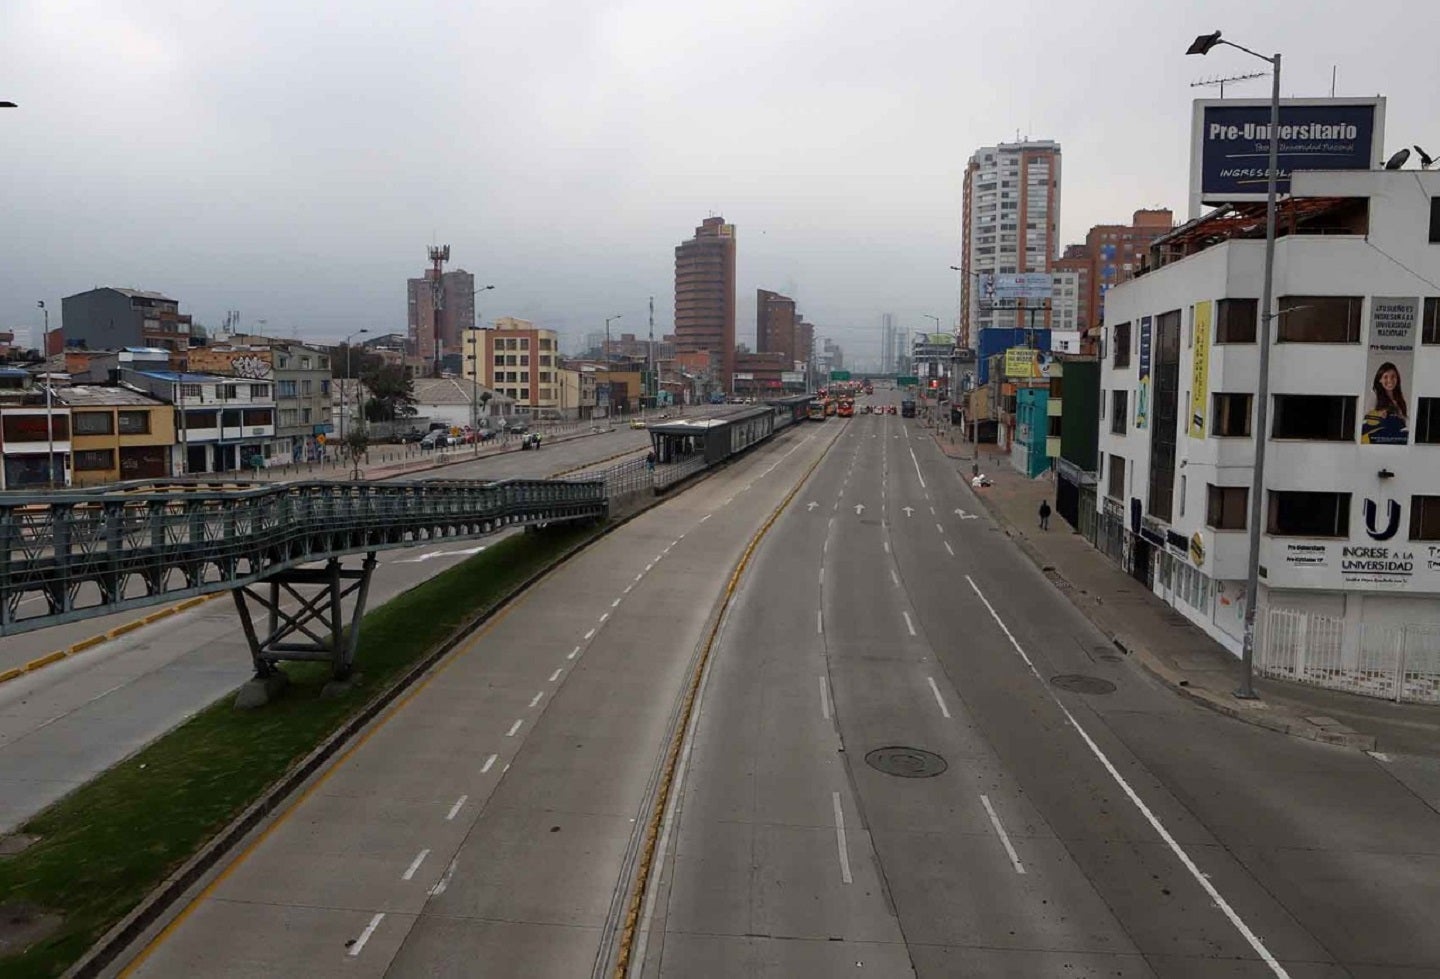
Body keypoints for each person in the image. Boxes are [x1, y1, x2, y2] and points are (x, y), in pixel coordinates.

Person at [1361, 361, 1410, 445]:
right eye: (1385, 377)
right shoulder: (1375, 395)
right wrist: (1378, 414)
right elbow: (1366, 418)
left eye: (1393, 376)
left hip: (1396, 439)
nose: (1389, 380)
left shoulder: (1401, 398)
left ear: (1397, 378)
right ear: (1380, 380)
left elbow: (1405, 422)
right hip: (1378, 440)